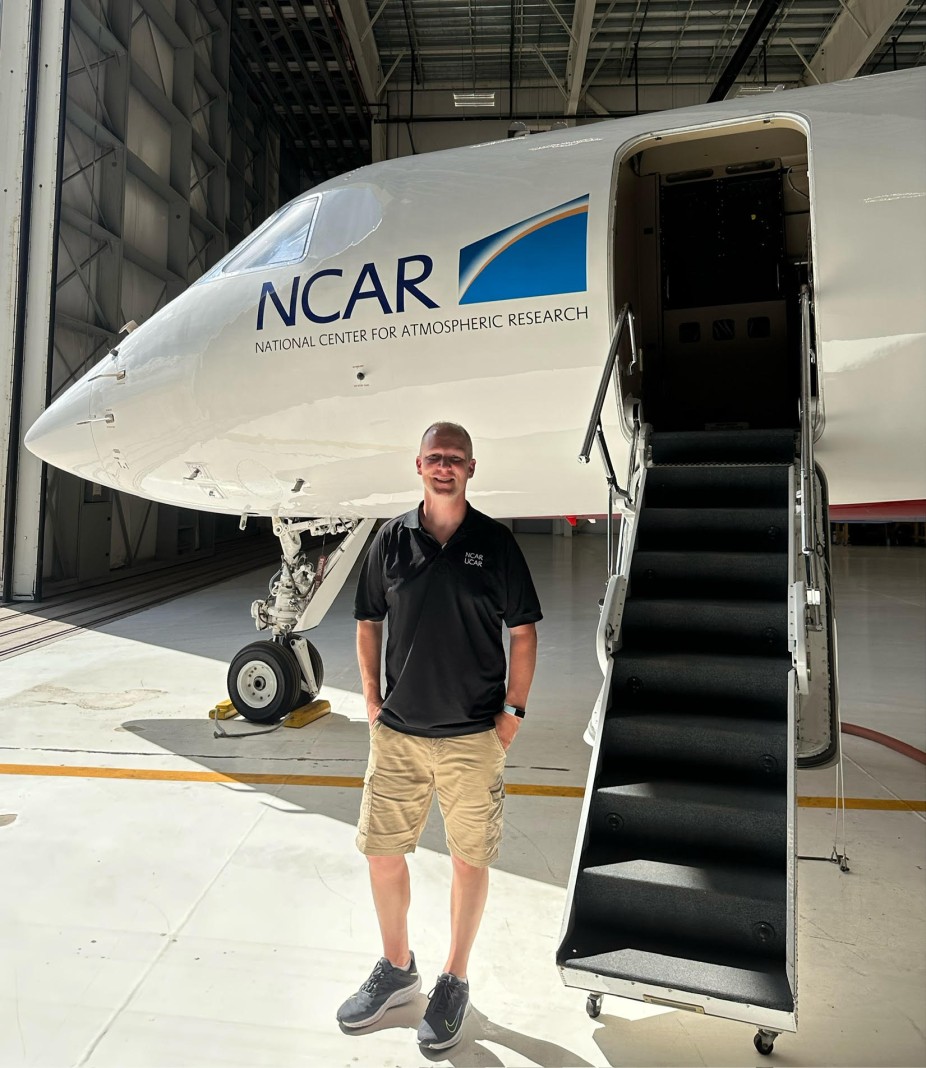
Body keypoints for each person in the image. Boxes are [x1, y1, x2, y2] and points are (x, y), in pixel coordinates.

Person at [337, 421, 542, 1050]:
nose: (444, 467)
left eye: (455, 459)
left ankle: (454, 978)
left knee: (467, 858)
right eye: (434, 458)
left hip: (471, 737)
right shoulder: (391, 542)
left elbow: (524, 632)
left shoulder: (497, 544)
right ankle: (398, 969)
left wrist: (514, 713)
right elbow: (368, 619)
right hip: (397, 733)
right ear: (418, 466)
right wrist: (371, 699)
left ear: (471, 469)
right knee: (381, 852)